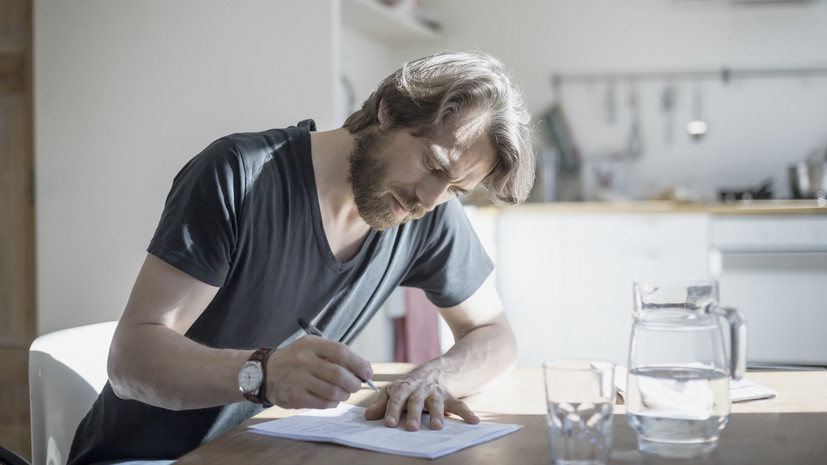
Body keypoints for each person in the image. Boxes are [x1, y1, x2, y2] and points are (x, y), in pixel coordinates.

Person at [67, 50, 535, 465]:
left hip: (267, 453)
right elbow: (131, 359)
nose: (431, 198)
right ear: (386, 112)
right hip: (149, 457)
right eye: (434, 166)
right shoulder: (239, 174)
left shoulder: (426, 213)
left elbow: (494, 334)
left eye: (456, 189)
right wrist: (263, 373)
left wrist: (436, 377)